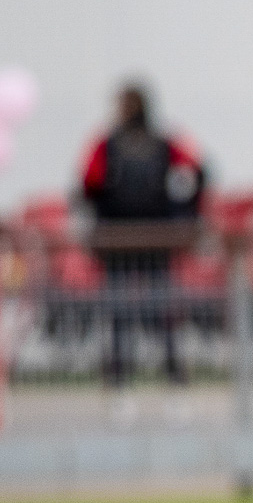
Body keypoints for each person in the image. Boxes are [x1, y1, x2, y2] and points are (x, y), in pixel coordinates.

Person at [79, 82, 206, 386]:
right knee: (161, 306)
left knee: (121, 309)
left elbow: (89, 183)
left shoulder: (107, 144)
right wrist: (184, 211)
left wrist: (103, 212)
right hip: (156, 234)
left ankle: (120, 373)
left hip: (118, 237)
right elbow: (199, 171)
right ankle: (172, 371)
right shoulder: (164, 141)